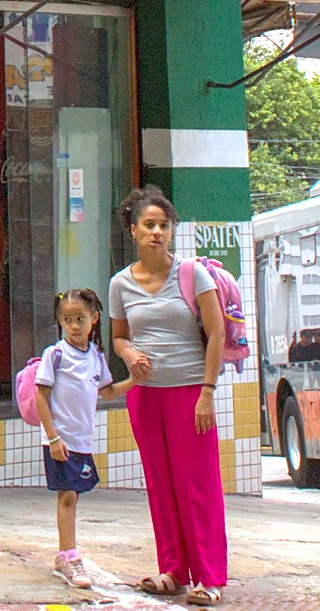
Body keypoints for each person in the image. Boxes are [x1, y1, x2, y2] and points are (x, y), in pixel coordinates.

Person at [110, 184, 230, 605]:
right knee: (160, 484)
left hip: (191, 393)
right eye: (148, 224)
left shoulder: (193, 274)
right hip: (145, 396)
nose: (157, 232)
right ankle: (173, 571)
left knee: (198, 485)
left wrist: (207, 392)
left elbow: (217, 333)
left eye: (163, 225)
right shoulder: (120, 284)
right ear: (133, 230)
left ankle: (210, 578)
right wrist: (129, 354)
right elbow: (119, 337)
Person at [36, 287, 131, 589]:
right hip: (60, 440)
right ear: (59, 321)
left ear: (94, 318)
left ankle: (66, 554)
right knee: (67, 496)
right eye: (67, 320)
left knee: (74, 494)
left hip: (81, 440)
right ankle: (68, 556)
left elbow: (108, 392)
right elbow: (41, 397)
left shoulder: (96, 356)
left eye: (80, 318)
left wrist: (136, 380)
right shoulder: (55, 355)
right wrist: (53, 438)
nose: (74, 326)